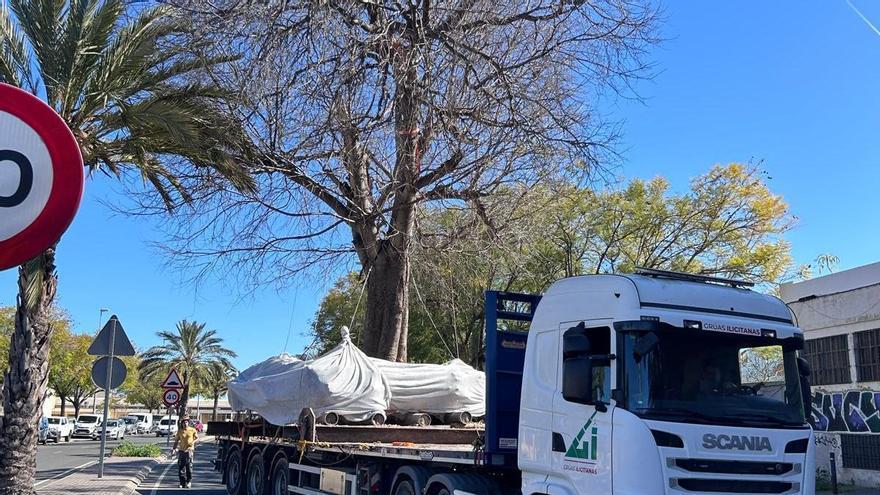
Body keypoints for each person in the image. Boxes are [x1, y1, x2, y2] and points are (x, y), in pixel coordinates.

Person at [171, 416, 198, 488]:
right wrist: (174, 449)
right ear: (182, 423)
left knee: (189, 466)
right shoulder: (180, 431)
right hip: (182, 450)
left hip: (189, 450)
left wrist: (193, 442)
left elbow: (196, 438)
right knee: (181, 467)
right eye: (184, 422)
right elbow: (176, 441)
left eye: (186, 422)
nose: (185, 423)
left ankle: (189, 481)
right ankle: (182, 483)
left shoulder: (192, 430)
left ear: (188, 423)